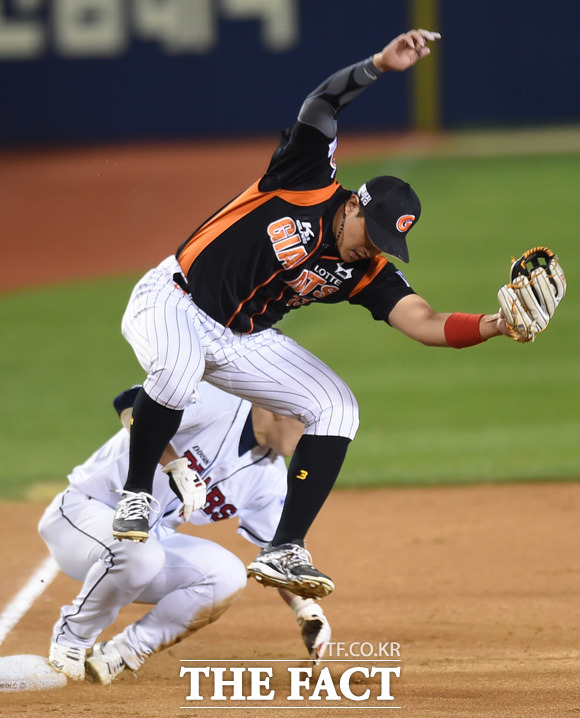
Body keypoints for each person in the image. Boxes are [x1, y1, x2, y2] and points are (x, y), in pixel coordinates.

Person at [113, 28, 512, 599]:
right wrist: (377, 63)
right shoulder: (305, 178)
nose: (368, 247)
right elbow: (321, 104)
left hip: (243, 338)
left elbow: (425, 322)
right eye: (368, 232)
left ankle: (284, 548)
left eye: (382, 244)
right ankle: (136, 492)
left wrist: (494, 325)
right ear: (354, 203)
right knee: (175, 371)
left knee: (336, 406)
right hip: (172, 299)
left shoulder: (362, 269)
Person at [40, 382, 331, 683]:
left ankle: (121, 653)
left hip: (149, 538)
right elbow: (130, 403)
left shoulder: (269, 477)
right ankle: (71, 642)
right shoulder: (218, 401)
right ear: (279, 409)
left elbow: (276, 552)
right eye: (309, 427)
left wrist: (306, 610)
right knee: (141, 553)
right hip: (85, 511)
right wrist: (173, 463)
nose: (314, 442)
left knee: (226, 575)